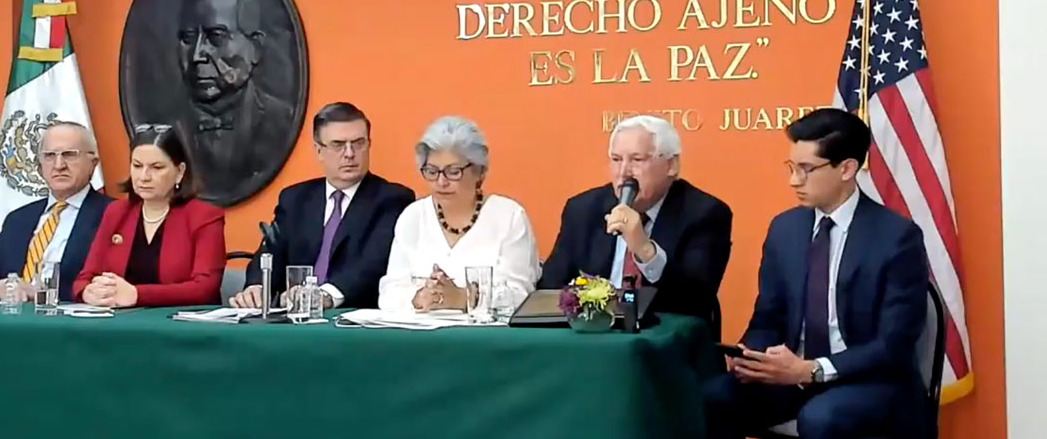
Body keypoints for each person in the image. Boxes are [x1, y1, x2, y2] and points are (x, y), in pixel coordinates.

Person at [703, 108, 930, 439]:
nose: (794, 180)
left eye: (807, 169)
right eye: (791, 168)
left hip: (868, 380)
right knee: (714, 397)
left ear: (847, 169)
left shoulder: (896, 237)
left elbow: (892, 344)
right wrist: (751, 356)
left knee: (822, 418)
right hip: (793, 376)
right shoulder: (785, 228)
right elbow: (769, 315)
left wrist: (813, 370)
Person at [539, 115, 732, 324]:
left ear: (671, 165)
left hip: (667, 345)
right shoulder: (583, 209)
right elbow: (550, 288)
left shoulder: (705, 213)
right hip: (593, 342)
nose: (624, 173)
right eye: (616, 159)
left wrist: (644, 249)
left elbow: (696, 300)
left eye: (637, 160)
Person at [230, 103, 414, 309]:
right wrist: (256, 287)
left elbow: (373, 264)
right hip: (293, 317)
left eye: (358, 143)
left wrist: (324, 296)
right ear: (318, 150)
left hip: (351, 319)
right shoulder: (295, 199)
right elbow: (271, 251)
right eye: (338, 144)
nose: (350, 153)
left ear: (369, 144)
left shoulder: (392, 199)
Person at [377, 116, 540, 312]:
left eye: (453, 172)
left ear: (479, 171)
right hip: (419, 337)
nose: (441, 182)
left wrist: (463, 298)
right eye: (432, 171)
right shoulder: (413, 216)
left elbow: (520, 295)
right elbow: (390, 291)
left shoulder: (509, 216)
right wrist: (419, 298)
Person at [74, 124, 226, 307]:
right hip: (120, 323)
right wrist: (88, 292)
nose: (144, 176)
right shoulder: (117, 212)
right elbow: (85, 278)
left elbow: (205, 288)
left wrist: (137, 294)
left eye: (157, 167)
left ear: (180, 172)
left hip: (181, 326)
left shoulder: (204, 216)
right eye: (137, 166)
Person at [175, 0, 296, 202]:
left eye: (216, 37)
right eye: (188, 39)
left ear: (255, 48)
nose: (197, 55)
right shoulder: (165, 127)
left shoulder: (280, 120)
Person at [0, 121, 111, 303]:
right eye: (50, 156)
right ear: (40, 165)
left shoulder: (113, 215)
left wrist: (40, 294)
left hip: (70, 326)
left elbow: (108, 288)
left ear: (93, 163)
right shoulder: (18, 219)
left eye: (69, 155)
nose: (59, 165)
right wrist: (4, 287)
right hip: (12, 321)